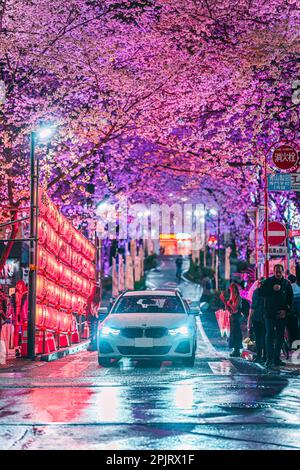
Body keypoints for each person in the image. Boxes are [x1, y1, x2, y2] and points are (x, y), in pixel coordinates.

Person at [260, 264, 294, 367]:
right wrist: (272, 288)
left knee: (280, 336)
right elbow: (261, 293)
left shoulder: (286, 284)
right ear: (274, 272)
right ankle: (269, 359)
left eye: (280, 271)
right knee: (269, 335)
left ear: (283, 272)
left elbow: (290, 300)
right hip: (269, 314)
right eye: (276, 271)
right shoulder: (268, 282)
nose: (278, 273)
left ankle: (276, 358)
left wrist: (285, 311)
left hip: (281, 314)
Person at [220, 283, 243, 357]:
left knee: (236, 333)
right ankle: (235, 350)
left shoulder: (238, 297)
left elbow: (234, 308)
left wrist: (229, 303)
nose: (231, 291)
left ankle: (237, 350)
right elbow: (227, 308)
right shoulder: (231, 297)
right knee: (232, 334)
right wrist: (224, 301)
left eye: (232, 289)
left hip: (236, 318)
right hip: (232, 317)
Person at [247, 278, 266, 364]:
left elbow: (253, 307)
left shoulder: (256, 292)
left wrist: (249, 320)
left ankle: (259, 356)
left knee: (258, 338)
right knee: (266, 337)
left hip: (258, 317)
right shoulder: (269, 292)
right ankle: (265, 356)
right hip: (267, 318)